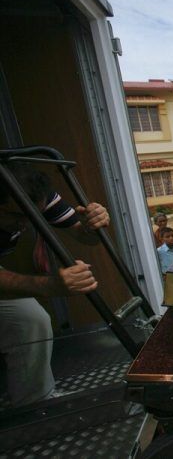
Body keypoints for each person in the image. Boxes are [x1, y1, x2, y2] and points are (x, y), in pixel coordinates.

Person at [0, 164, 109, 406]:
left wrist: (94, 224)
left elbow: (84, 235)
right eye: (17, 217)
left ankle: (34, 404)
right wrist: (50, 286)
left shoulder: (34, 196)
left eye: (33, 216)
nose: (25, 225)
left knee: (30, 319)